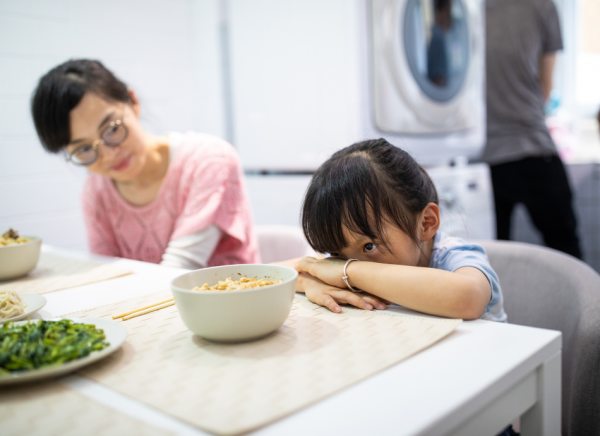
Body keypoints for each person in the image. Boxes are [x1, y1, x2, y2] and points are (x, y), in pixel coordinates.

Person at [31, 59, 260, 268]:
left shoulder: (209, 159)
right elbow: (106, 273)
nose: (109, 154)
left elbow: (181, 268)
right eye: (84, 149)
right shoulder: (96, 191)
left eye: (112, 129)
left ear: (133, 102)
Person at [284, 139, 506, 323]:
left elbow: (468, 298)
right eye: (336, 255)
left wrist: (348, 272)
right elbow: (265, 272)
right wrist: (308, 282)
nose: (347, 262)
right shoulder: (344, 259)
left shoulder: (453, 256)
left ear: (426, 223)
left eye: (369, 246)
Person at [483, 0, 581, 259]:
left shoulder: (462, 8)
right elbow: (546, 89)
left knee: (485, 260)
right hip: (531, 147)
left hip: (480, 157)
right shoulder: (542, 6)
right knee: (566, 250)